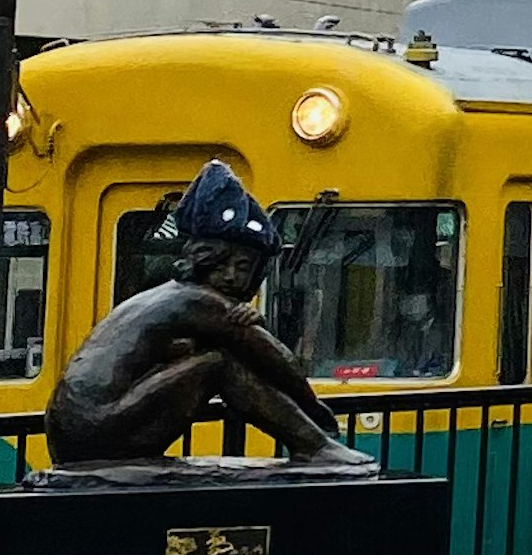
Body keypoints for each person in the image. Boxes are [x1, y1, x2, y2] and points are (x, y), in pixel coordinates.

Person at [42, 159, 373, 471]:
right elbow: (274, 358)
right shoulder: (196, 300)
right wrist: (318, 415)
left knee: (216, 357)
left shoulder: (176, 297)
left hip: (77, 432)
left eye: (243, 267)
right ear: (203, 259)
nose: (231, 276)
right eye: (222, 263)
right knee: (219, 364)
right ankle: (314, 447)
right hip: (91, 429)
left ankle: (314, 445)